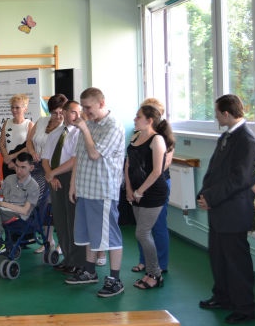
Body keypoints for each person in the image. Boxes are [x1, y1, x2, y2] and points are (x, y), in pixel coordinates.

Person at [197, 94, 255, 324]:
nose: (215, 117)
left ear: (226, 113)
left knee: (236, 263)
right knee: (218, 257)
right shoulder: (226, 136)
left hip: (234, 211)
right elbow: (214, 171)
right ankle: (223, 297)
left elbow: (241, 179)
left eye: (217, 113)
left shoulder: (248, 141)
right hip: (219, 209)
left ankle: (245, 308)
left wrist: (211, 197)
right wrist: (203, 194)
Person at [65, 87, 126, 298]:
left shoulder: (113, 125)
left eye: (88, 107)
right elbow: (79, 157)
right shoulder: (89, 124)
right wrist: (73, 185)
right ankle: (89, 271)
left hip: (103, 190)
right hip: (85, 189)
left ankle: (115, 279)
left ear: (101, 103)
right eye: (83, 107)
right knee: (89, 234)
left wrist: (83, 128)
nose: (85, 112)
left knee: (111, 236)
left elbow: (93, 154)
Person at [124, 105, 174, 290]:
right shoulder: (136, 137)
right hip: (137, 192)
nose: (135, 119)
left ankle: (155, 274)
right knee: (142, 233)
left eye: (138, 117)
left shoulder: (157, 139)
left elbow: (156, 171)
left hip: (153, 193)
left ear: (149, 120)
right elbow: (128, 165)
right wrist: (129, 188)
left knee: (142, 233)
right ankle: (149, 272)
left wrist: (140, 191)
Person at [42, 100, 84, 275]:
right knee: (60, 221)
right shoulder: (54, 133)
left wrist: (52, 173)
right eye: (73, 112)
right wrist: (51, 175)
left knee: (73, 221)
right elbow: (45, 159)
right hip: (54, 179)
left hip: (70, 178)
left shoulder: (79, 133)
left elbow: (74, 161)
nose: (77, 116)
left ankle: (78, 261)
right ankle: (67, 258)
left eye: (79, 112)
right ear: (65, 112)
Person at [0, 152, 41, 254]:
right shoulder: (9, 179)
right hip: (3, 210)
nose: (18, 170)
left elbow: (25, 211)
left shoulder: (34, 186)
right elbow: (0, 196)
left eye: (23, 167)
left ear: (31, 168)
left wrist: (2, 204)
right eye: (17, 166)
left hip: (19, 216)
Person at [26, 94, 67, 254]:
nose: (58, 116)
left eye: (61, 112)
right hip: (37, 167)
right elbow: (29, 141)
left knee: (54, 206)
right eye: (54, 113)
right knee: (40, 204)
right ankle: (47, 241)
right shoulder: (42, 121)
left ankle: (62, 243)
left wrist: (53, 173)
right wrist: (32, 153)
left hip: (55, 169)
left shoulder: (66, 126)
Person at [0, 94, 34, 179]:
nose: (14, 110)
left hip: (23, 165)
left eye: (17, 107)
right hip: (8, 164)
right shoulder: (6, 123)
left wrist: (12, 157)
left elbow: (29, 147)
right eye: (12, 107)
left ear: (25, 109)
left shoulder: (29, 124)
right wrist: (9, 161)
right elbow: (1, 144)